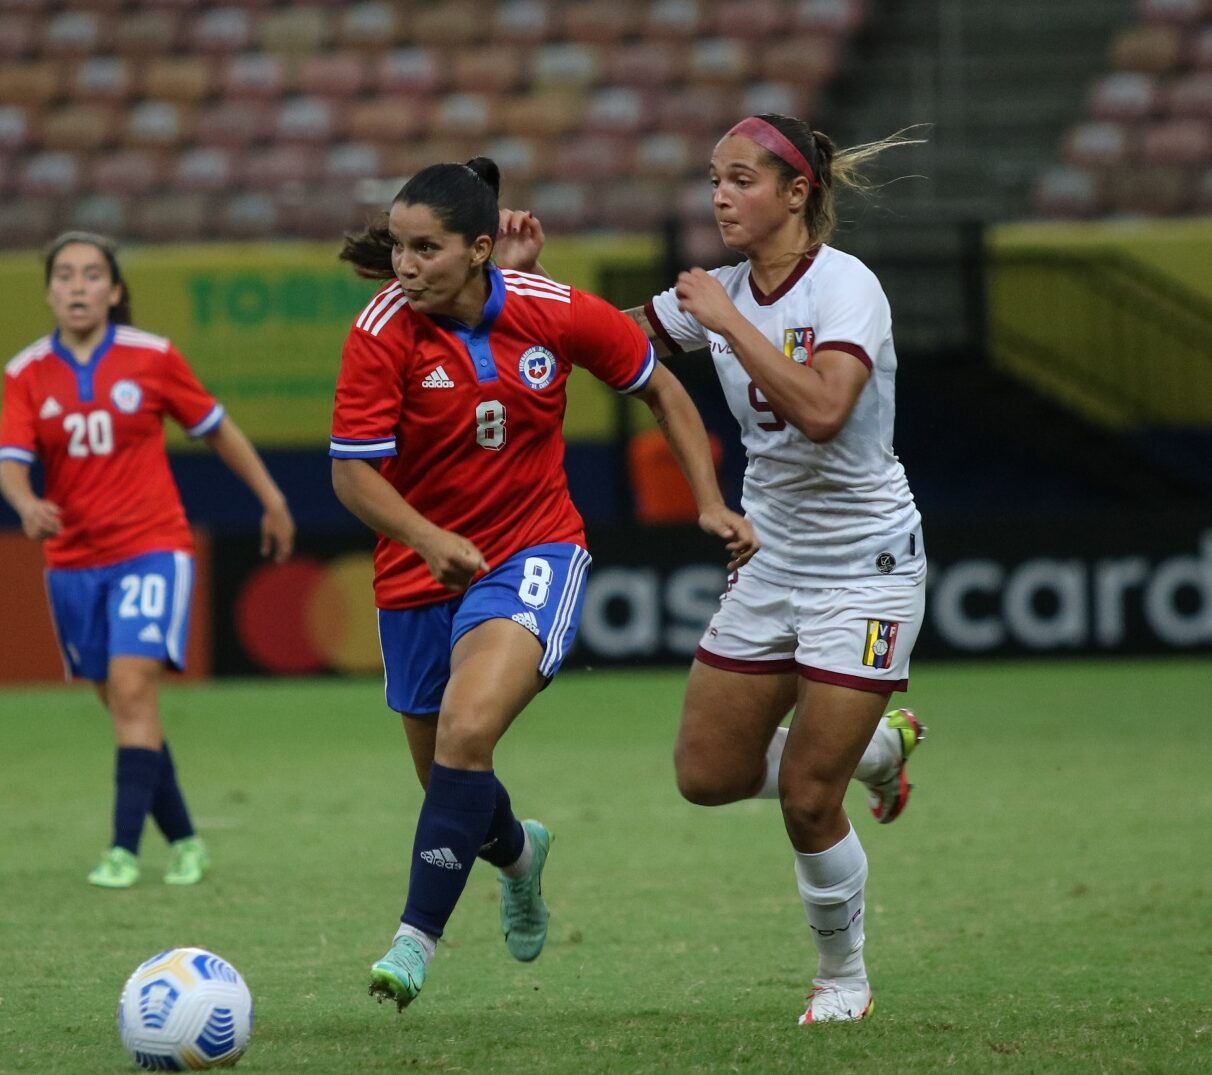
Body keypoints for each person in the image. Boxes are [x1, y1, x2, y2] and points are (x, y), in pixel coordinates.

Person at [501, 113, 929, 1024]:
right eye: (713, 178)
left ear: (796, 191)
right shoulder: (719, 292)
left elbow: (821, 410)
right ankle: (880, 748)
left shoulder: (847, 287)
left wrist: (727, 320)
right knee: (705, 772)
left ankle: (842, 976)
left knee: (809, 796)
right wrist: (525, 286)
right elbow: (604, 342)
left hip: (866, 562)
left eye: (740, 179)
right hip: (770, 558)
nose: (720, 196)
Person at [329, 158, 755, 1011]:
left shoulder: (553, 312)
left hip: (531, 552)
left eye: (426, 248)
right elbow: (353, 479)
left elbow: (662, 388)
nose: (404, 266)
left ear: (480, 248)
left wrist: (710, 501)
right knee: (454, 776)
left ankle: (414, 940)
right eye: (399, 247)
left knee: (468, 727)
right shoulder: (381, 331)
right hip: (417, 569)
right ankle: (520, 853)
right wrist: (425, 537)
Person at [0, 231, 295, 889]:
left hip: (151, 548)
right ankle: (187, 840)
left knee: (133, 691)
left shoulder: (152, 357)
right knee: (127, 707)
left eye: (92, 274)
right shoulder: (25, 372)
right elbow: (12, 463)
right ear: (48, 291)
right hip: (72, 562)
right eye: (66, 275)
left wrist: (272, 499)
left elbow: (218, 428)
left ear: (115, 289)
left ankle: (122, 852)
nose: (78, 286)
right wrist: (25, 503)